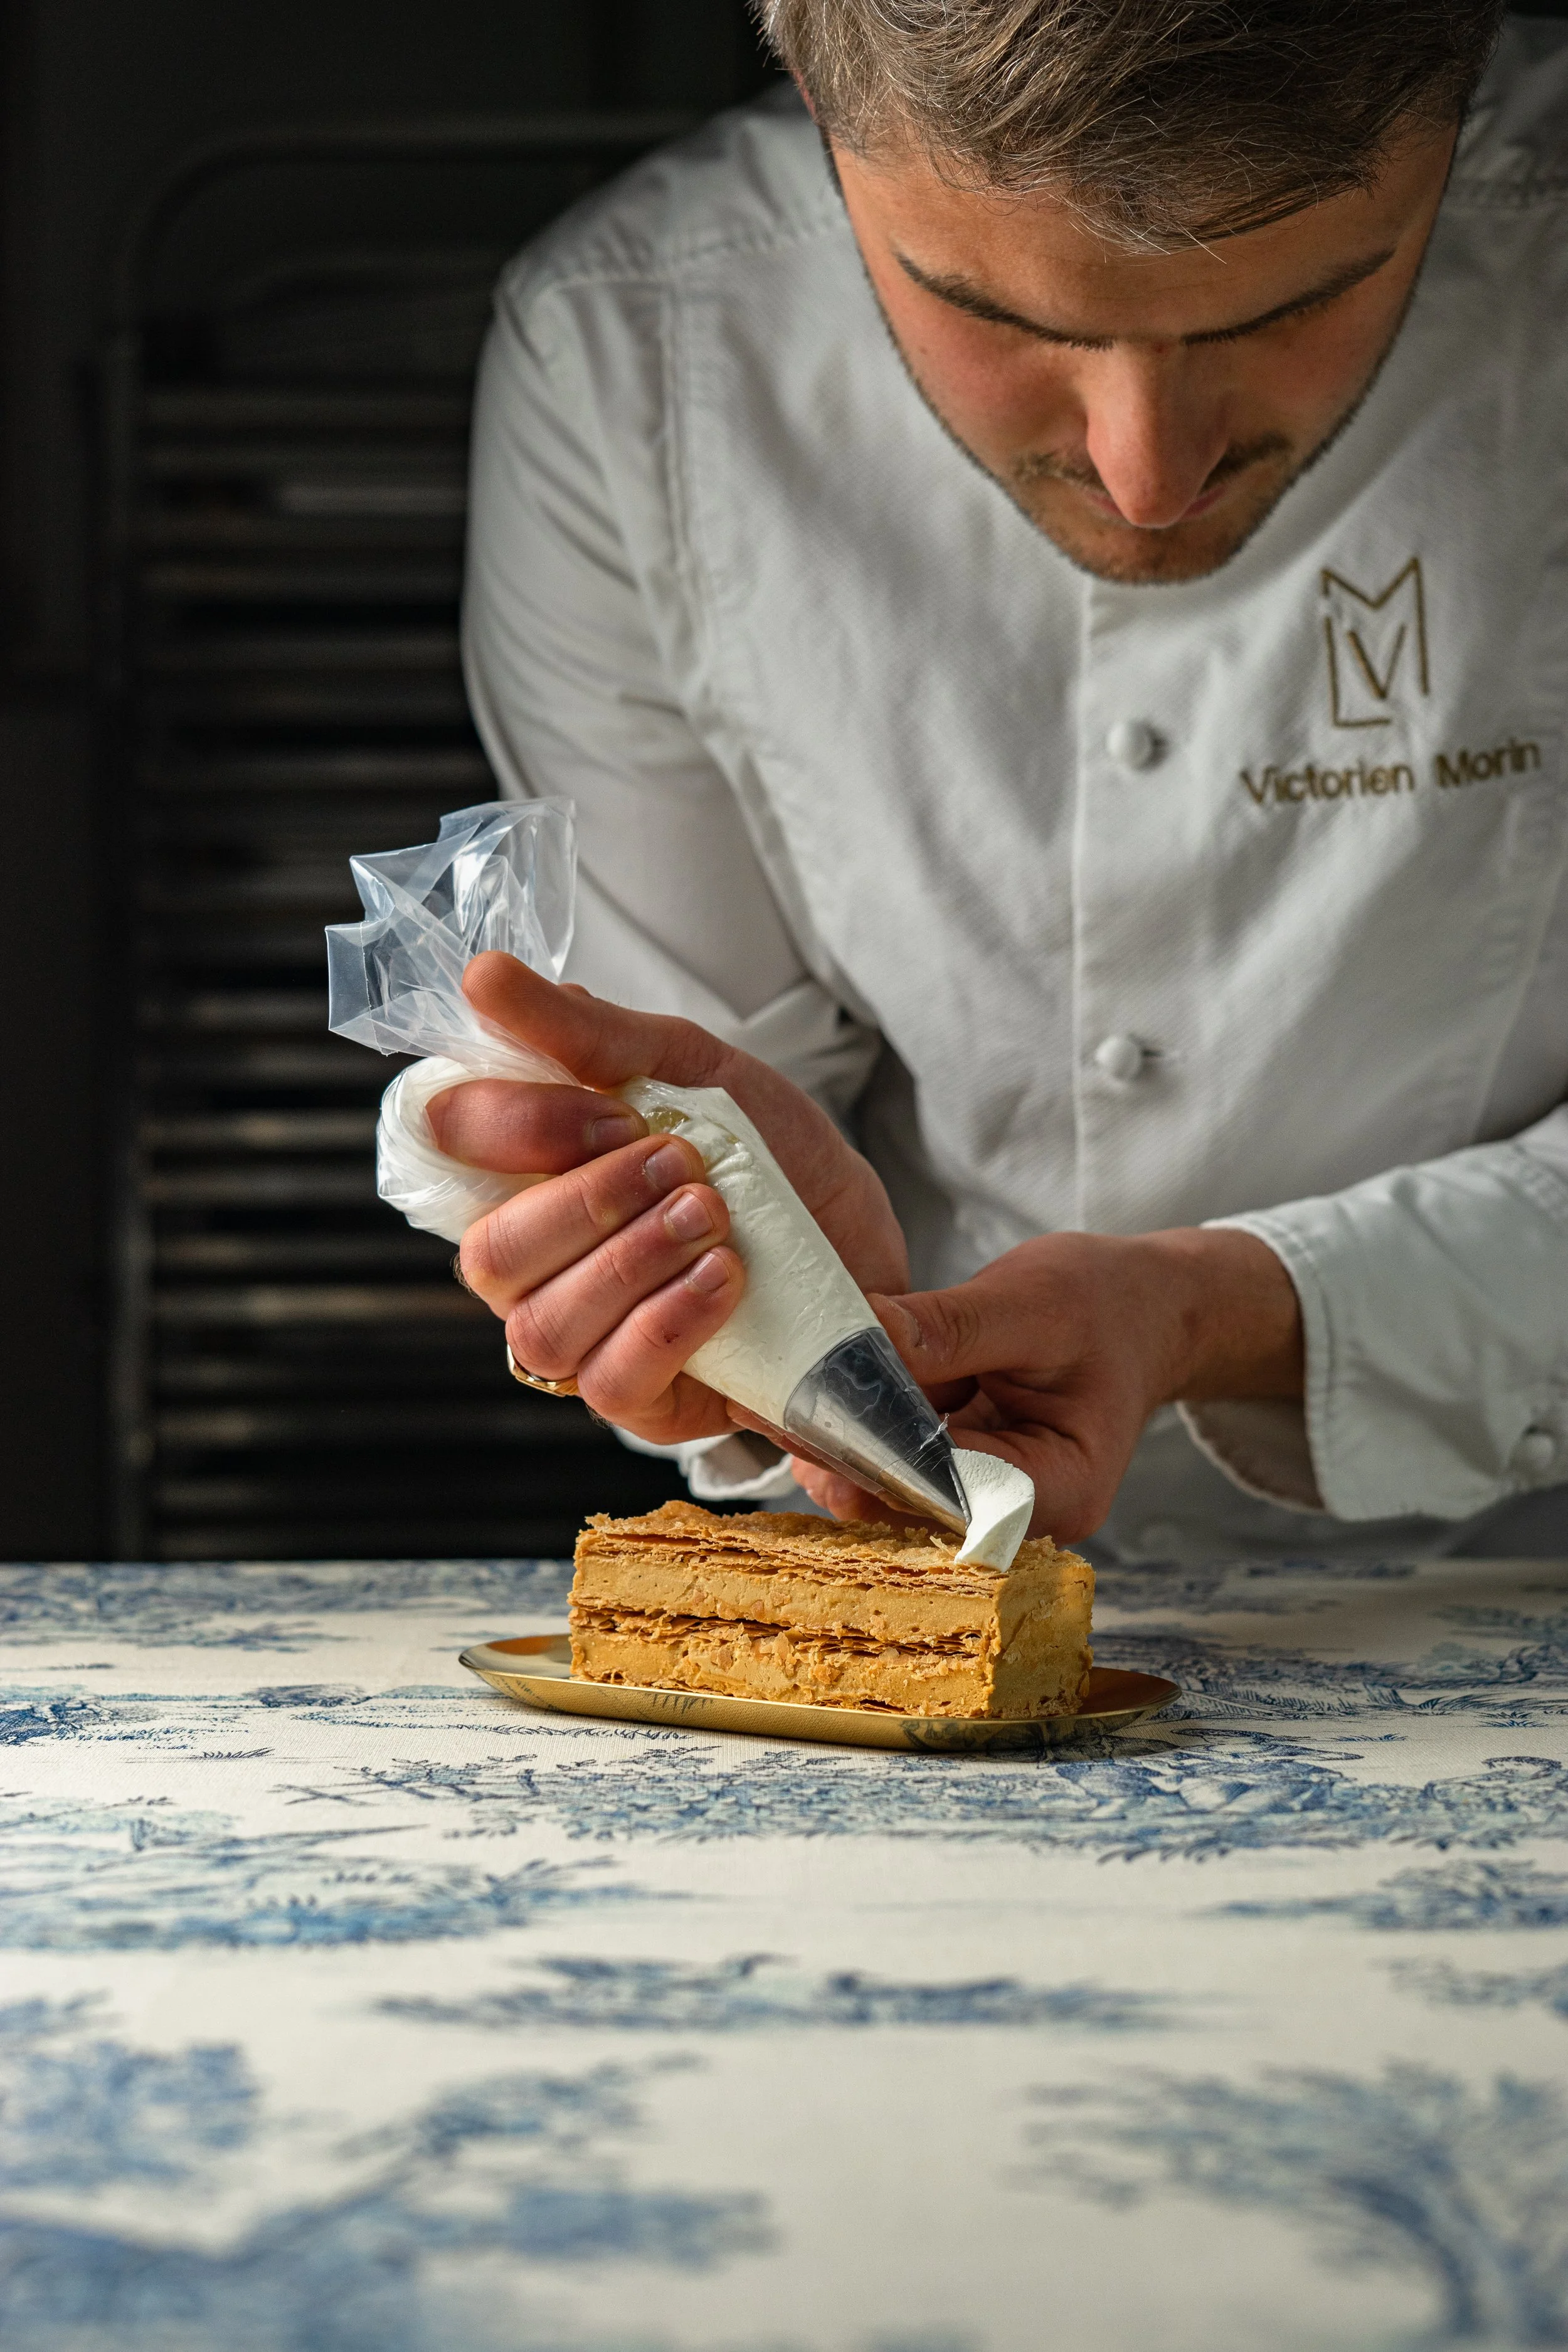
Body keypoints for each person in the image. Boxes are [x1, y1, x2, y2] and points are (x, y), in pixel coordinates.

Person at [421, 0, 1568, 1564]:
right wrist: (740, 1293)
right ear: (826, 124)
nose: (1143, 473)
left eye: (1293, 304)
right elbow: (662, 1145)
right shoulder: (630, 359)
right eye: (996, 313)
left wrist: (1215, 1315)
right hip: (922, 1591)